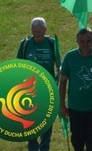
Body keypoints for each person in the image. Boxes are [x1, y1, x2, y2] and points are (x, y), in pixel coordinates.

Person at [18, 18, 59, 151]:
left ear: (45, 30)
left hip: (47, 89)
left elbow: (60, 65)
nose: (37, 34)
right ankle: (32, 146)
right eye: (34, 31)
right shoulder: (24, 44)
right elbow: (18, 66)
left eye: (39, 32)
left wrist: (57, 81)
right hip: (29, 90)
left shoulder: (52, 43)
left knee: (47, 120)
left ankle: (44, 147)